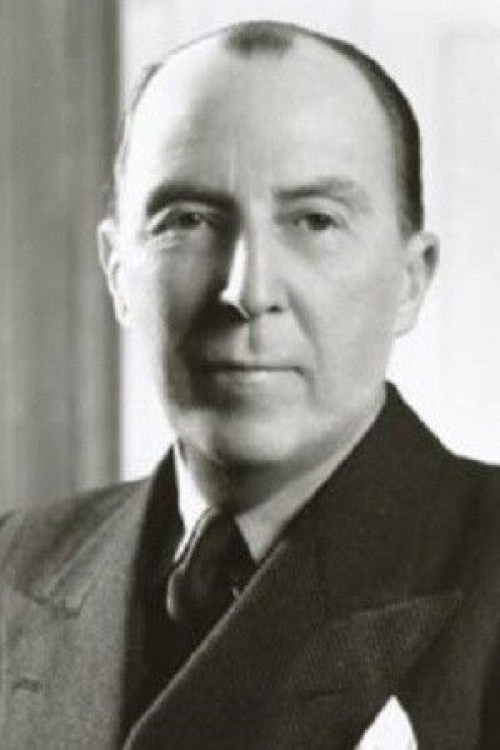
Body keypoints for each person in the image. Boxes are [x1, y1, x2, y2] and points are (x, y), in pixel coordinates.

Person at [0, 19, 499, 750]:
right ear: (117, 273)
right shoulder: (13, 568)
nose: (246, 289)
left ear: (410, 280)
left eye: (315, 221)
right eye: (189, 220)